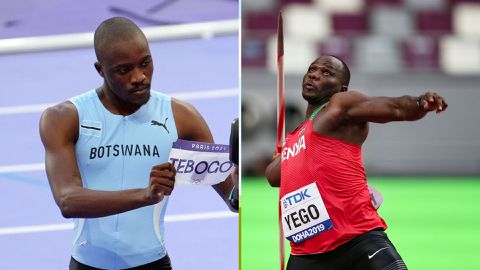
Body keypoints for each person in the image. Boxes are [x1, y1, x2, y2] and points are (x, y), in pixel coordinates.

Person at [39, 17, 238, 270]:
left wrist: (243, 173)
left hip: (152, 264)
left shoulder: (181, 118)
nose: (139, 77)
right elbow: (68, 201)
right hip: (87, 265)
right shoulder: (65, 118)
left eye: (145, 63)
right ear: (100, 69)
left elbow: (234, 198)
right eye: (124, 70)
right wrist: (145, 195)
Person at [265, 55, 447, 270]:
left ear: (342, 88)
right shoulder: (295, 137)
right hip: (307, 256)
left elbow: (394, 107)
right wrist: (284, 153)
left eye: (326, 73)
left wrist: (419, 103)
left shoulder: (339, 106)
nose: (314, 74)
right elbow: (273, 176)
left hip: (357, 242)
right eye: (312, 69)